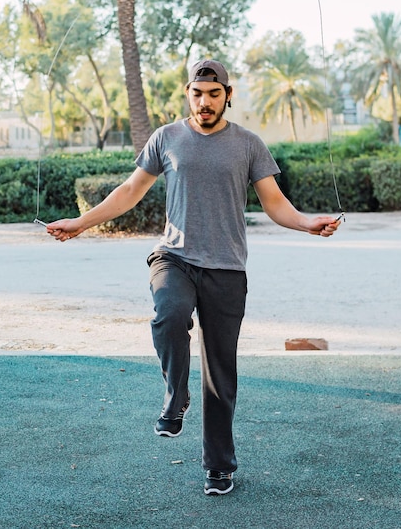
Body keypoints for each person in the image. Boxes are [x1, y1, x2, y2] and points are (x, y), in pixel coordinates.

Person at [47, 59, 341, 496]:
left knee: (221, 373)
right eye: (197, 93)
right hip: (175, 256)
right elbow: (130, 191)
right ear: (188, 92)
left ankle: (219, 467)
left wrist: (307, 223)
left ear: (227, 94)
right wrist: (81, 222)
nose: (205, 102)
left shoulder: (248, 144)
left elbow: (275, 204)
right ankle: (175, 396)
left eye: (213, 94)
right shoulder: (166, 137)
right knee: (168, 314)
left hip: (226, 268)